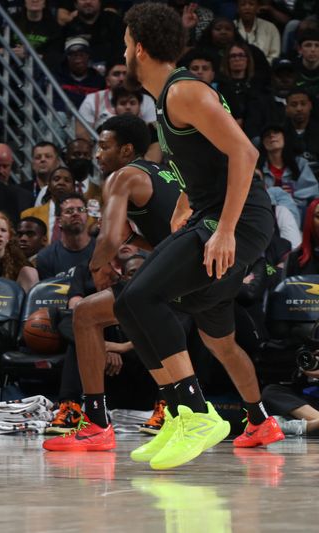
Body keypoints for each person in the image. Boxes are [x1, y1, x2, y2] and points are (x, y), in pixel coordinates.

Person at [44, 113, 281, 456]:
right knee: (224, 346)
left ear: (127, 151)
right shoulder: (171, 174)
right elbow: (172, 232)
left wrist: (97, 265)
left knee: (86, 315)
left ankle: (101, 422)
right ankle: (260, 421)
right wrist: (138, 243)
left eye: (104, 146)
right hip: (217, 265)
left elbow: (109, 239)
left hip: (187, 269)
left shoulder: (122, 177)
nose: (98, 154)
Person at [111, 4, 280, 470]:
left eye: (125, 43)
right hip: (210, 211)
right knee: (129, 303)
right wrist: (186, 197)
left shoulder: (183, 91)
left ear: (140, 48)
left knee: (145, 297)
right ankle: (181, 413)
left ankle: (198, 413)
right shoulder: (170, 96)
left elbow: (244, 152)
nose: (123, 51)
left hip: (240, 218)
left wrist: (224, 229)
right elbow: (205, 154)